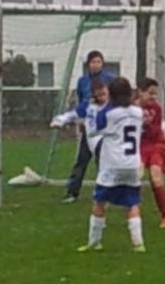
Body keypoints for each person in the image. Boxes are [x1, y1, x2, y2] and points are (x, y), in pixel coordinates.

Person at [79, 77, 146, 253]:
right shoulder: (138, 112)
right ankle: (138, 243)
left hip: (112, 164)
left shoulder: (109, 114)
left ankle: (94, 241)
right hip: (132, 163)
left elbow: (94, 130)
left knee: (99, 201)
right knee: (131, 203)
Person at [63, 51, 116, 202]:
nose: (96, 65)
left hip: (104, 127)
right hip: (89, 127)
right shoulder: (82, 81)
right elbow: (81, 102)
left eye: (98, 62)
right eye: (93, 62)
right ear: (88, 64)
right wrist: (80, 120)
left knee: (103, 160)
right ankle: (72, 192)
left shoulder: (110, 79)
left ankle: (104, 191)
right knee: (82, 159)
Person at [138, 78, 165, 229]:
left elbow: (155, 130)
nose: (153, 97)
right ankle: (134, 214)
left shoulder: (156, 109)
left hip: (154, 145)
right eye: (150, 93)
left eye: (155, 94)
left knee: (156, 176)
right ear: (140, 92)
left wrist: (148, 124)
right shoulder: (131, 108)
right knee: (136, 177)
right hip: (138, 147)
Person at [50, 79, 110, 167]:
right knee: (82, 160)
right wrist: (59, 121)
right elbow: (73, 114)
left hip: (107, 139)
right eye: (98, 95)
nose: (102, 98)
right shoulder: (89, 106)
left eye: (103, 94)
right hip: (91, 138)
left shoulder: (113, 105)